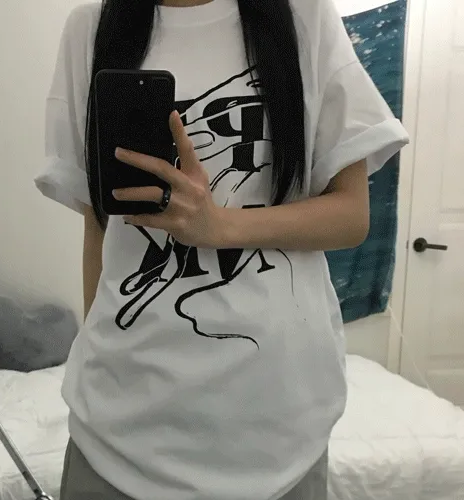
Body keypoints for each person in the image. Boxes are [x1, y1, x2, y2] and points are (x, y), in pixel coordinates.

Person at [35, 0, 409, 499]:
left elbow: (350, 216)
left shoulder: (304, 17)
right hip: (116, 434)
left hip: (281, 432)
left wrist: (220, 226)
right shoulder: (91, 27)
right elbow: (98, 230)